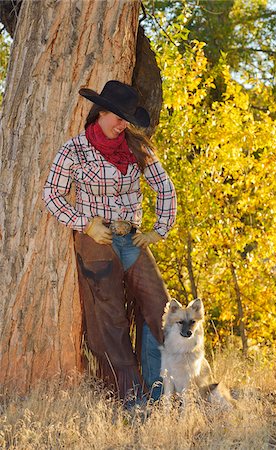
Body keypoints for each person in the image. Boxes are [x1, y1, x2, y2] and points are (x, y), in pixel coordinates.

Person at [43, 80, 177, 405]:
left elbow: (166, 189)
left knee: (159, 307)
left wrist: (158, 230)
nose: (122, 124)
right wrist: (85, 225)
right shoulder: (74, 149)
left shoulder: (137, 148)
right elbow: (52, 194)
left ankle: (159, 390)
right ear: (101, 111)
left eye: (126, 118)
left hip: (129, 236)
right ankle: (131, 397)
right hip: (96, 238)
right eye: (118, 116)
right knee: (111, 316)